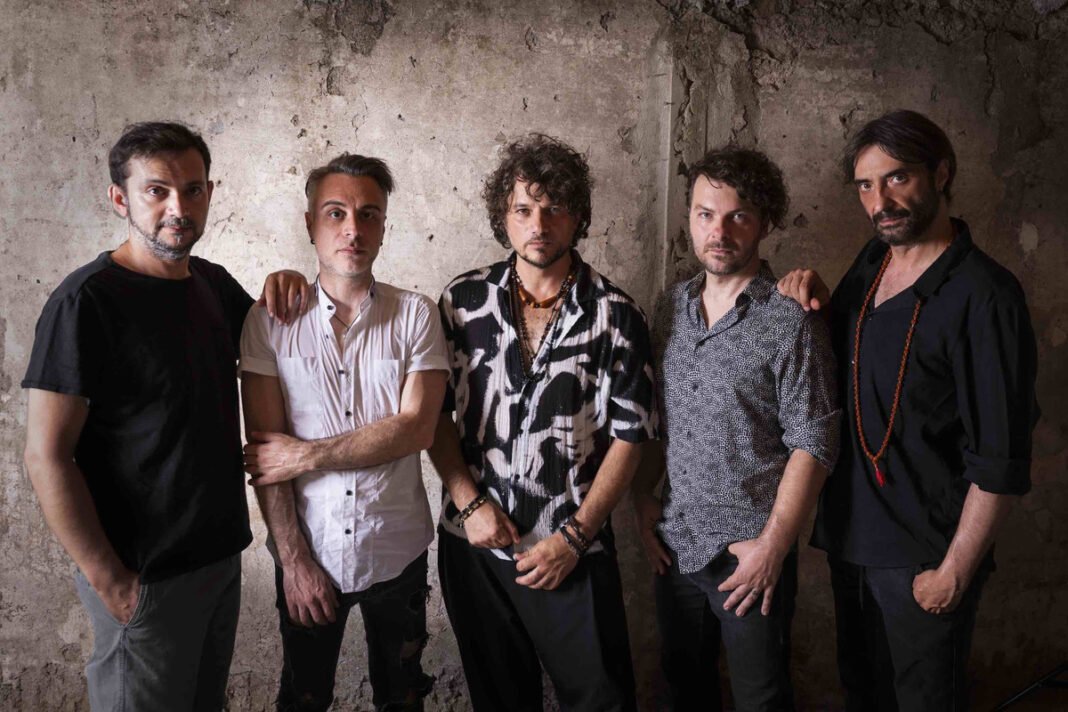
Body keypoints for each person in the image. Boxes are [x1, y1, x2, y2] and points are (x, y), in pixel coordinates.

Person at [22, 121, 309, 711]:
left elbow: (280, 349)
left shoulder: (211, 284)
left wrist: (288, 282)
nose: (179, 207)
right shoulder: (85, 302)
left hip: (218, 561)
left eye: (192, 189)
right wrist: (111, 581)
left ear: (209, 192)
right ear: (120, 198)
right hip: (143, 578)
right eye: (157, 191)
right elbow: (46, 456)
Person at [778, 109, 1039, 711]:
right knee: (863, 696)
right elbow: (853, 359)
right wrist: (815, 301)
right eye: (866, 186)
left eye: (897, 178)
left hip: (927, 555)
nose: (880, 201)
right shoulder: (873, 263)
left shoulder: (986, 295)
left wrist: (954, 572)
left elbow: (1001, 456)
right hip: (852, 542)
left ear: (940, 173)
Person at [427, 134, 657, 712]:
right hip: (475, 546)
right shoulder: (461, 301)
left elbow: (631, 438)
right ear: (502, 217)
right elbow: (433, 417)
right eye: (524, 209)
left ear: (577, 217)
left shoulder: (617, 315)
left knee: (602, 700)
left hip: (571, 548)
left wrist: (575, 538)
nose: (539, 224)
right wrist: (469, 506)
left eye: (554, 208)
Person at [631, 147, 840, 712]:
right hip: (675, 545)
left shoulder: (791, 319)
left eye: (737, 216)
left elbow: (815, 442)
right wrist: (642, 498)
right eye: (705, 214)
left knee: (760, 700)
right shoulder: (670, 308)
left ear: (764, 222)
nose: (718, 232)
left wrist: (773, 547)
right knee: (685, 691)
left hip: (749, 554)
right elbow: (656, 418)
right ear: (690, 218)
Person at [238, 153, 447, 712]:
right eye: (336, 213)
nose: (353, 229)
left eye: (368, 214)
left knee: (402, 698)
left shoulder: (416, 314)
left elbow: (416, 428)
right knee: (303, 699)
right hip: (309, 547)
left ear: (383, 227)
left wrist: (305, 455)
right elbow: (266, 453)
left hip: (396, 550)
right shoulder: (268, 320)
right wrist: (294, 562)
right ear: (310, 224)